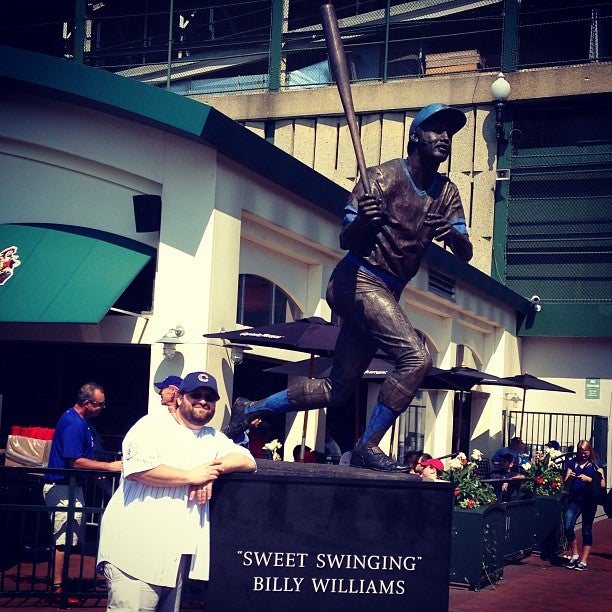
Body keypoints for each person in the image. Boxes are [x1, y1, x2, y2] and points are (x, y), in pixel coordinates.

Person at [226, 103, 473, 472]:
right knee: (416, 358)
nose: (444, 138)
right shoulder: (382, 179)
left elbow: (466, 252)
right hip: (356, 280)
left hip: (387, 291)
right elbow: (346, 237)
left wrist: (453, 236)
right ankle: (367, 446)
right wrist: (365, 223)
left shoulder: (447, 191)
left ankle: (252, 408)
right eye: (435, 130)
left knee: (336, 391)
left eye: (448, 133)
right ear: (415, 137)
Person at [97, 372, 256, 610]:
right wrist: (192, 476)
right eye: (196, 395)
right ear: (180, 397)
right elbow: (138, 469)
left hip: (175, 557)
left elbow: (247, 460)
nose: (203, 401)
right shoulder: (151, 425)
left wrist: (211, 471)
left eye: (210, 397)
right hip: (135, 550)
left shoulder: (211, 436)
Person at [43, 382, 123, 602]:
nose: (102, 408)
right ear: (87, 403)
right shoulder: (73, 423)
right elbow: (75, 461)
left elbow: (86, 461)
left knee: (70, 538)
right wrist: (109, 466)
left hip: (71, 487)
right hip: (62, 487)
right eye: (100, 404)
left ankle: (60, 585)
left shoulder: (84, 423)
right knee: (64, 538)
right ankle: (57, 589)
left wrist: (109, 490)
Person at [562, 439, 605, 571]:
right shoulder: (572, 463)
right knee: (568, 526)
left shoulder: (595, 464)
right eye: (581, 452)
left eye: (585, 452)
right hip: (575, 499)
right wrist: (571, 477)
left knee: (586, 530)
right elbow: (566, 483)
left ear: (590, 451)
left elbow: (602, 484)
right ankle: (575, 554)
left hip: (589, 500)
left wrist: (589, 479)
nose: (583, 455)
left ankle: (584, 561)